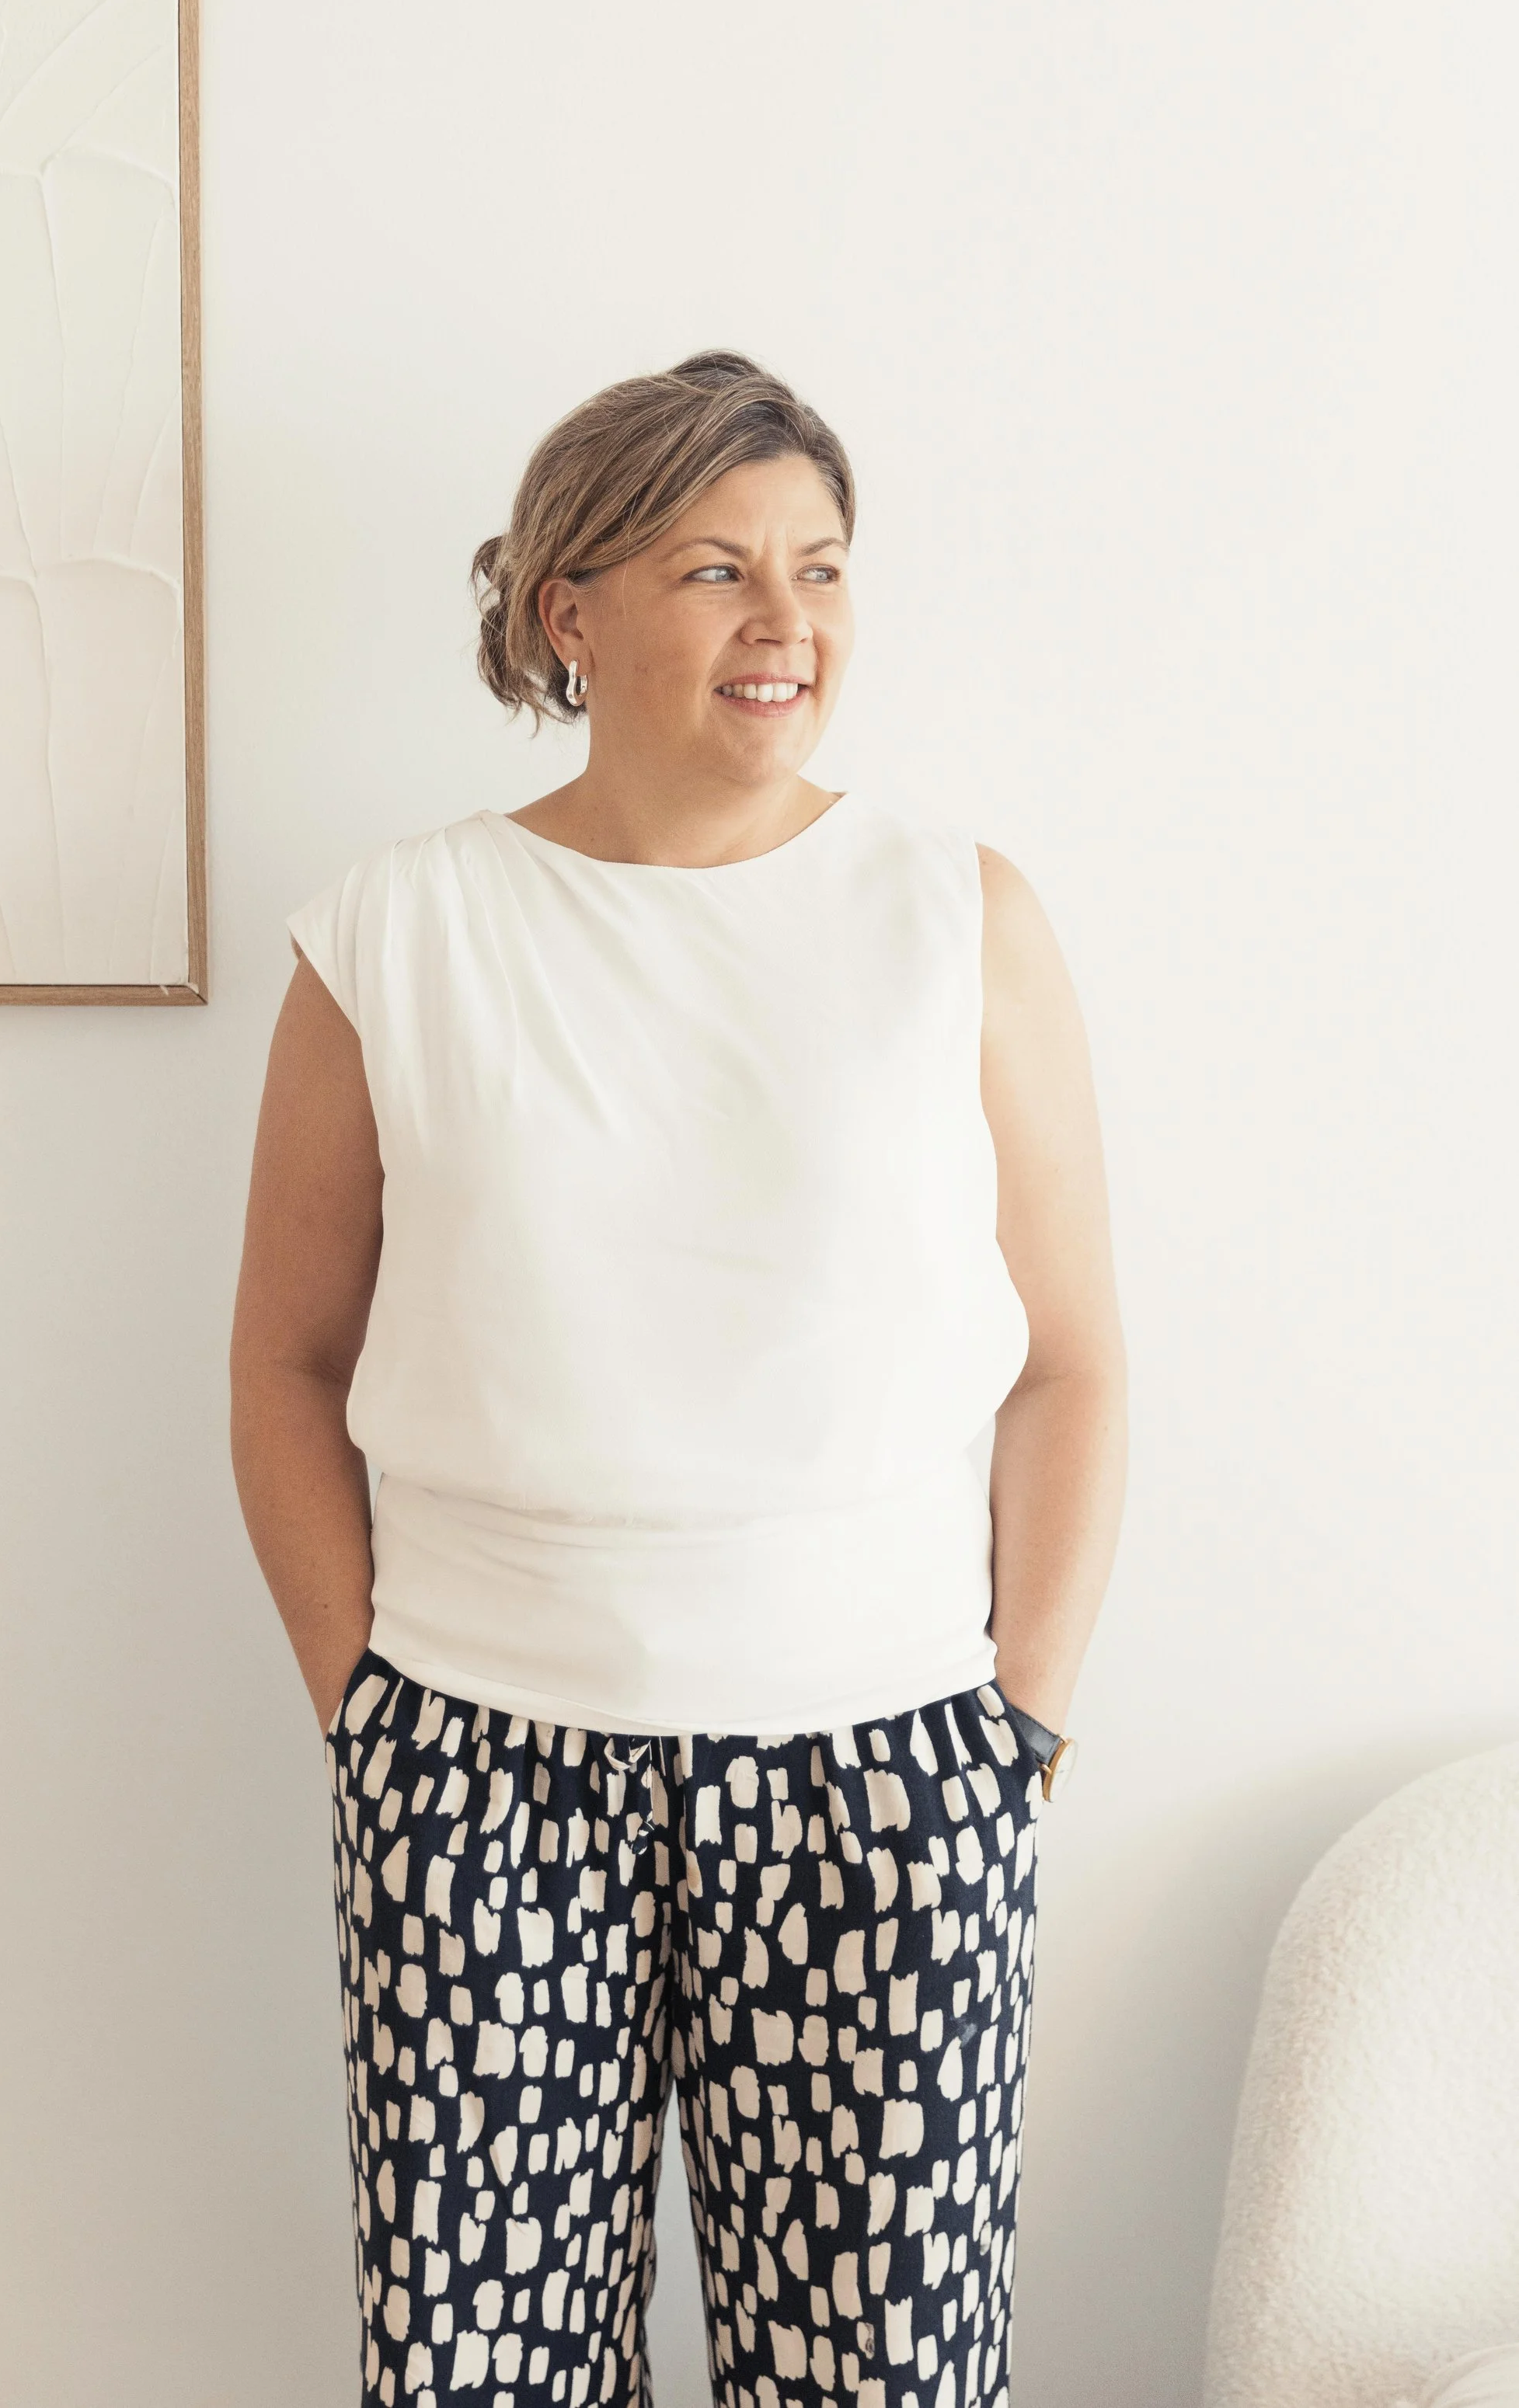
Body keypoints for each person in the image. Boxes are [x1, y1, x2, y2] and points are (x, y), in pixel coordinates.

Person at [231, 351, 1127, 2408]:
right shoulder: (397, 931)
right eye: (717, 568)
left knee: (882, 2379)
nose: (784, 620)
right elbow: (286, 1358)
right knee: (484, 2375)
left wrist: (1018, 1732)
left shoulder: (956, 915)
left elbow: (1072, 1359)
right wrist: (371, 1722)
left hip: (888, 1775)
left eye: (821, 565)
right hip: (481, 1768)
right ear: (570, 609)